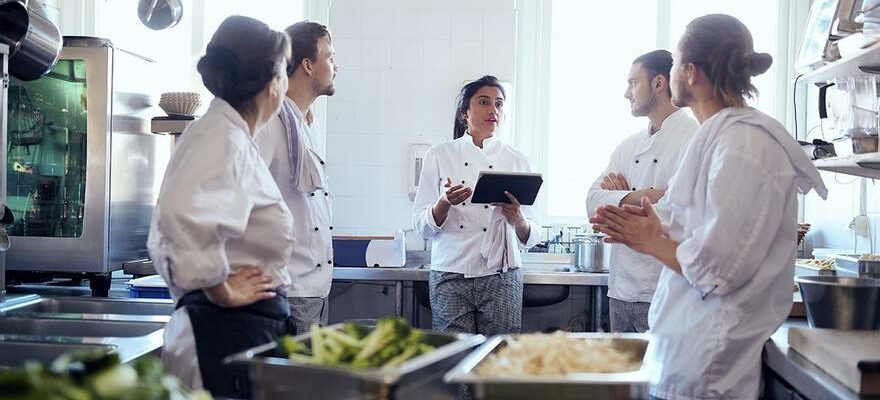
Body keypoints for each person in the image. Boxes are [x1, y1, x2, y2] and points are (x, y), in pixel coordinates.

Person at [590, 14, 827, 399]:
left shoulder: (745, 147)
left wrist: (651, 240)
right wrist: (649, 224)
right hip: (685, 353)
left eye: (676, 63)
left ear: (692, 73)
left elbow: (720, 270)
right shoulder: (717, 138)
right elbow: (689, 222)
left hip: (710, 368)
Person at [147, 16, 294, 398]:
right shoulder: (221, 137)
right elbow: (181, 215)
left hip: (238, 328)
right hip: (222, 327)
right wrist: (220, 291)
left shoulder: (229, 135)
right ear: (273, 83)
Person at [412, 75, 541, 335]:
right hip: (450, 271)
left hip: (501, 275)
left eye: (499, 104)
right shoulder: (439, 155)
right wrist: (444, 203)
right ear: (464, 113)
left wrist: (518, 218)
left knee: (499, 357)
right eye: (484, 102)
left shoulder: (518, 160)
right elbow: (420, 226)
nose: (493, 109)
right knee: (453, 354)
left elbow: (534, 233)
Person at [585, 50, 698, 333]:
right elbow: (592, 202)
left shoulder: (693, 137)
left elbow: (681, 211)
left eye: (633, 83)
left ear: (659, 84)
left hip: (664, 287)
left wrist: (621, 202)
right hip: (621, 288)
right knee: (622, 375)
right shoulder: (628, 145)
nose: (627, 93)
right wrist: (645, 195)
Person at [256, 20, 338, 334]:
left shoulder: (305, 123)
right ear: (307, 64)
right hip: (286, 289)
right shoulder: (268, 121)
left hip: (313, 288)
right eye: (329, 57)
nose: (335, 65)